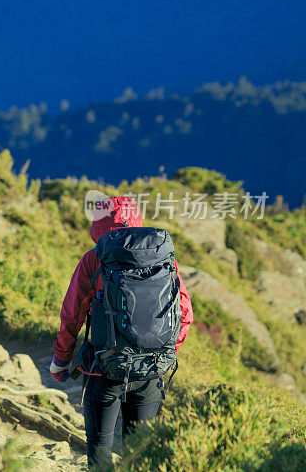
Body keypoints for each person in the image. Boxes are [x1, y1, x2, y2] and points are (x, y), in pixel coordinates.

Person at [48, 196, 193, 467]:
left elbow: (72, 314)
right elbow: (185, 311)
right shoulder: (161, 256)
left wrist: (61, 360)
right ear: (136, 219)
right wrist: (163, 350)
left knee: (100, 449)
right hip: (152, 370)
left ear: (98, 224)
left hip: (103, 369)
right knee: (139, 453)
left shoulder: (94, 259)